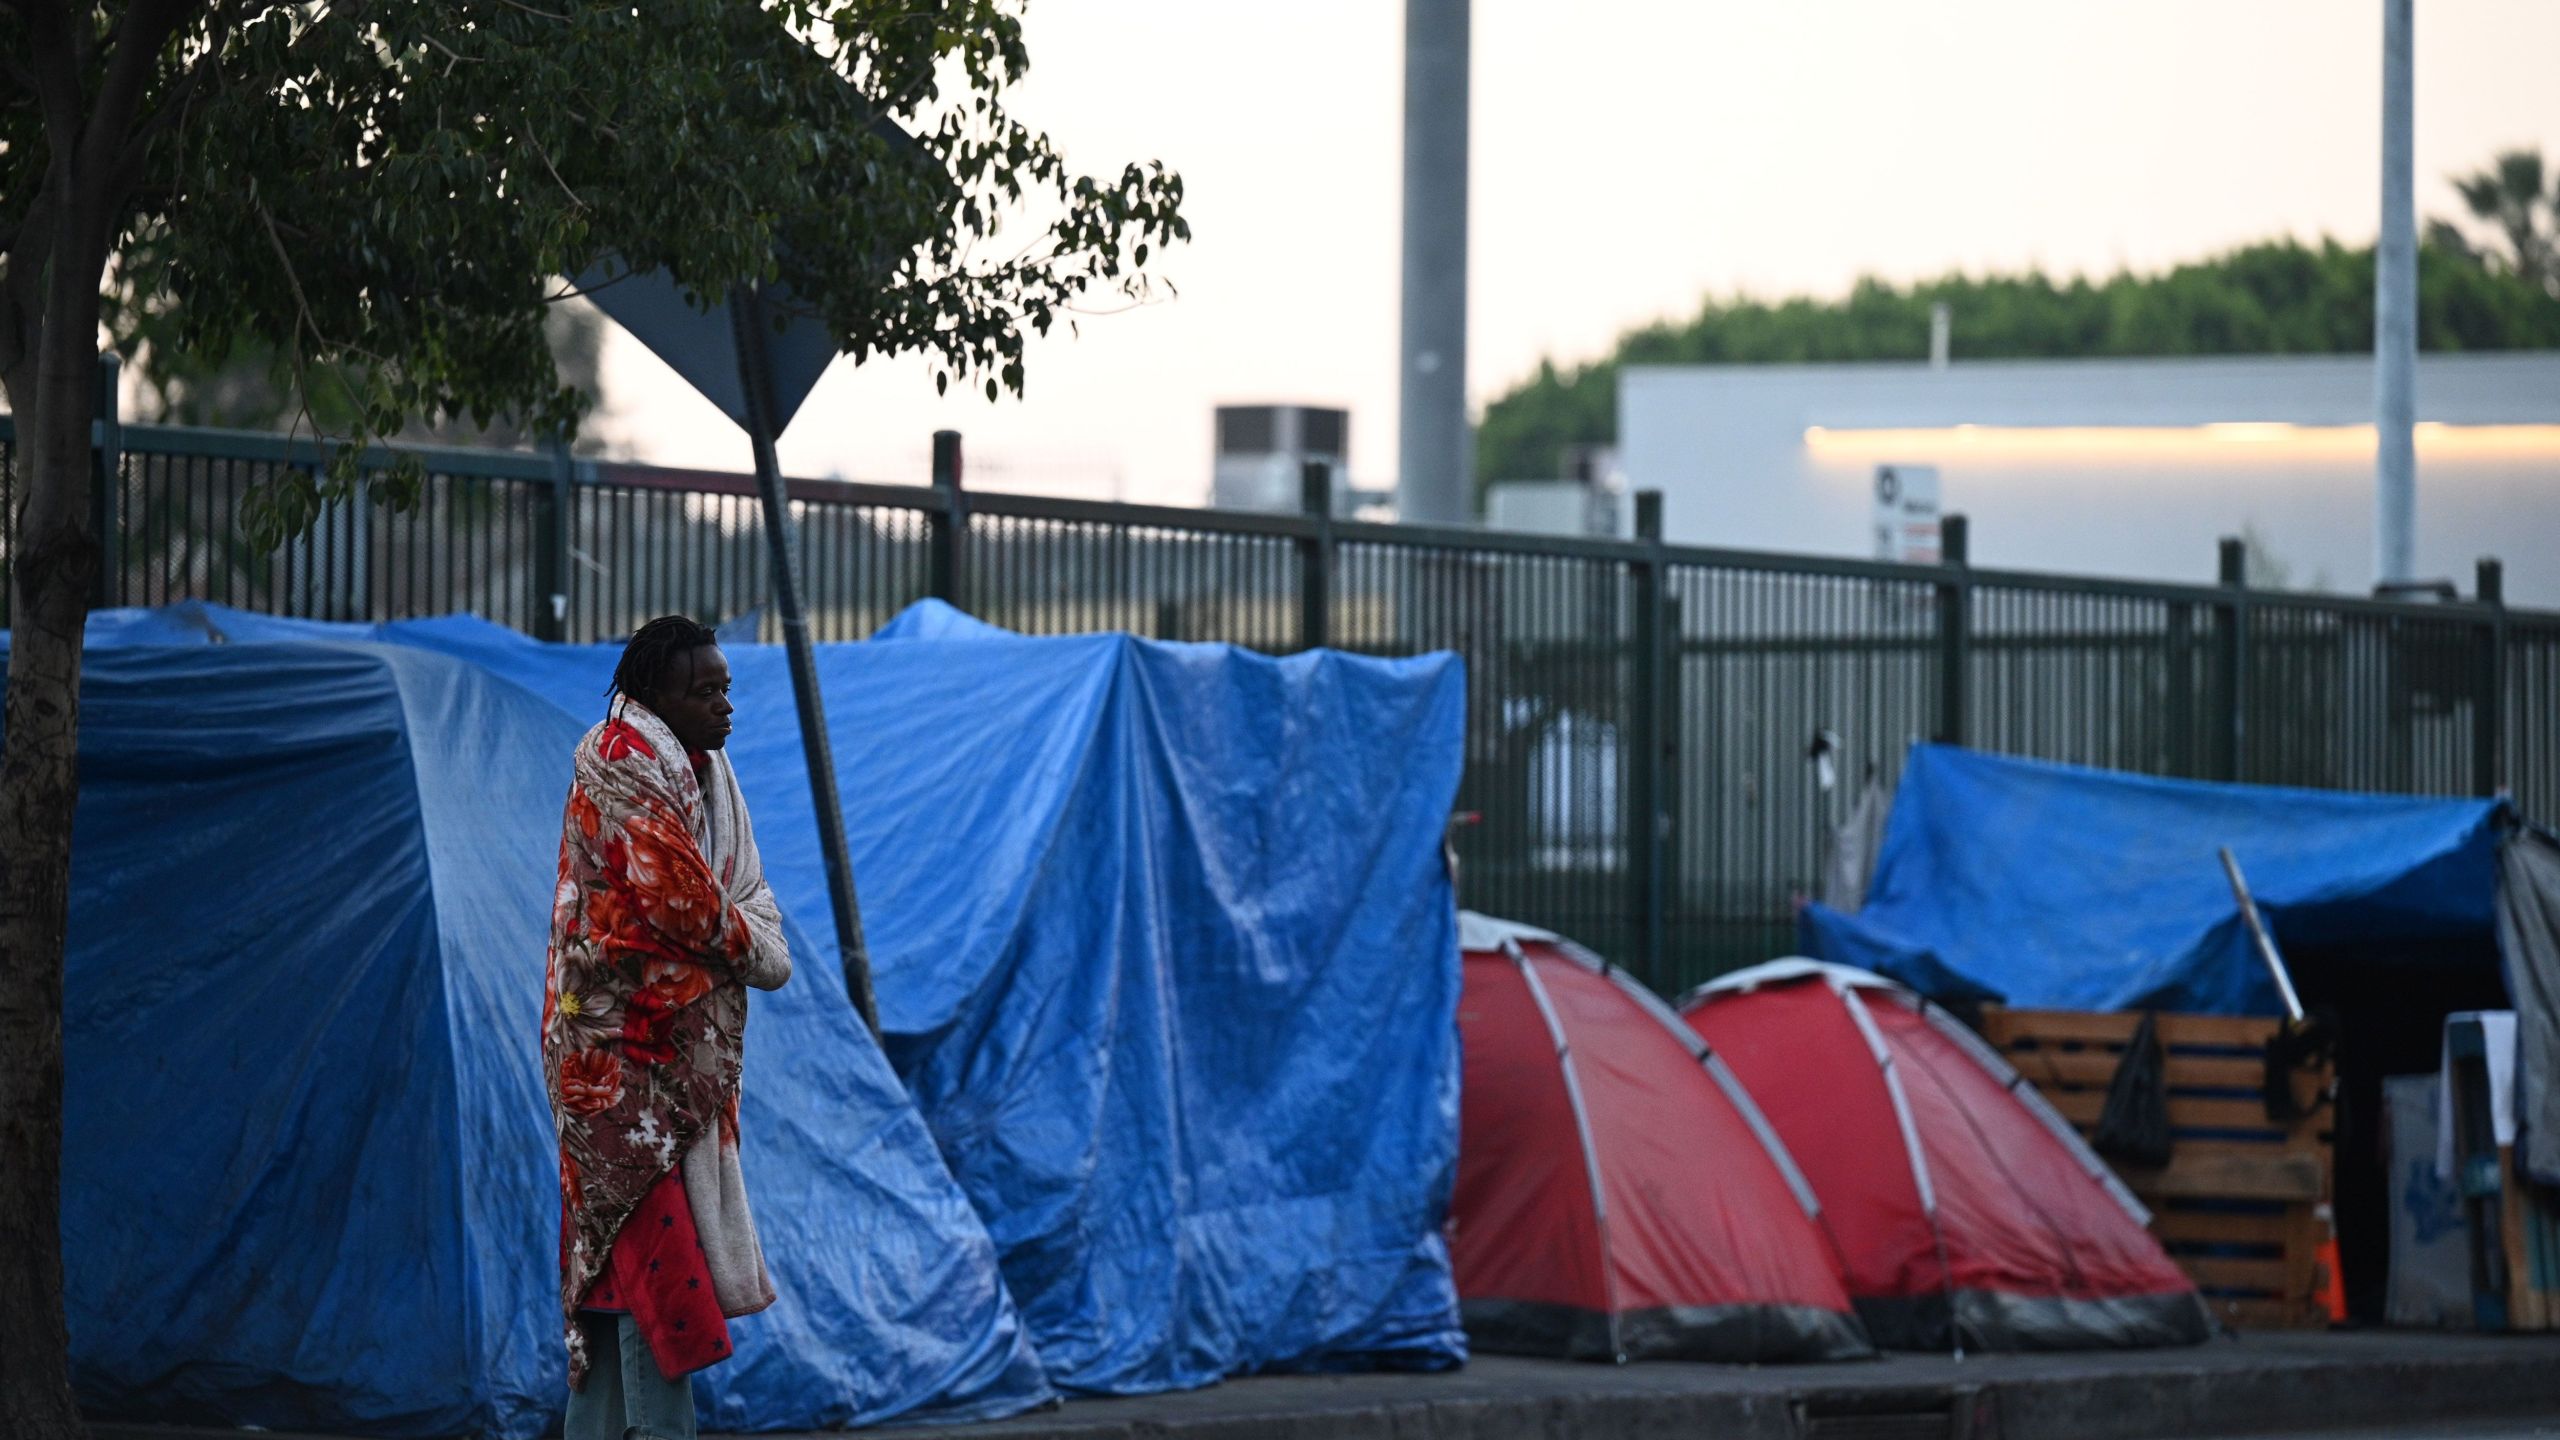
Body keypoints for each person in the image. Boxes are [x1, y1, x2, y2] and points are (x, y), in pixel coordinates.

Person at [544, 616, 793, 1440]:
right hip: (620, 1073)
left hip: (672, 1073)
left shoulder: (706, 777)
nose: (726, 705)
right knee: (661, 1291)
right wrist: (752, 947)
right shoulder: (620, 766)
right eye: (705, 690)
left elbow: (737, 900)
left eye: (727, 687)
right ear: (654, 695)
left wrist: (737, 936)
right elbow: (680, 906)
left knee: (622, 1291)